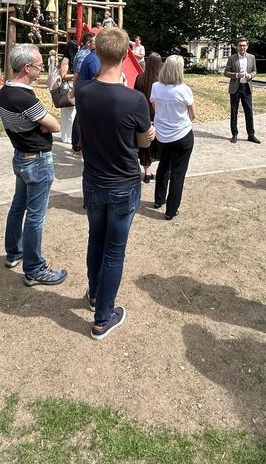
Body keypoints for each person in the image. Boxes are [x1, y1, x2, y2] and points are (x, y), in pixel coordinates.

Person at [75, 27, 155, 340]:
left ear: (97, 54)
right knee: (114, 251)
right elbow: (142, 141)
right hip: (123, 182)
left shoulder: (83, 93)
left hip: (93, 179)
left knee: (96, 239)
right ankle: (102, 317)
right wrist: (146, 136)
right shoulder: (134, 99)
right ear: (126, 56)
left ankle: (95, 294)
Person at [0, 43, 66, 285]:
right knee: (36, 216)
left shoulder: (4, 91)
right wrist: (41, 123)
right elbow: (55, 126)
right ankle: (34, 268)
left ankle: (14, 251)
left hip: (21, 156)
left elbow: (42, 123)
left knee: (18, 207)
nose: (40, 71)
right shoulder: (24, 97)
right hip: (37, 159)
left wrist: (39, 123)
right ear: (26, 68)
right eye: (38, 67)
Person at [150, 55, 196, 221]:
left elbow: (154, 107)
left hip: (163, 135)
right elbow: (193, 114)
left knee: (163, 166)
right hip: (182, 134)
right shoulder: (184, 89)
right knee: (178, 173)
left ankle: (158, 199)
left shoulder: (156, 87)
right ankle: (171, 209)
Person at [224, 37, 260, 144]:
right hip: (235, 87)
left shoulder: (252, 57)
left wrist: (251, 75)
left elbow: (254, 71)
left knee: (249, 112)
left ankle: (251, 135)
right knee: (234, 112)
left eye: (244, 45)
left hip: (247, 88)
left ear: (247, 46)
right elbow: (226, 72)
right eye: (240, 45)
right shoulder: (232, 58)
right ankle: (234, 134)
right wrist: (236, 75)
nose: (242, 47)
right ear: (237, 47)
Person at [133, 53, 162, 184]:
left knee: (145, 145)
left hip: (142, 115)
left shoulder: (140, 78)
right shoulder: (161, 81)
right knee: (158, 143)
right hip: (157, 115)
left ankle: (147, 171)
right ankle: (161, 170)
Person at [71, 32, 99, 156]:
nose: (97, 43)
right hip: (85, 89)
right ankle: (77, 146)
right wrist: (74, 89)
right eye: (95, 41)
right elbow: (77, 75)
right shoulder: (85, 56)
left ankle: (77, 145)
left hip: (82, 88)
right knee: (80, 119)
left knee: (79, 117)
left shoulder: (84, 53)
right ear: (88, 43)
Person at [57, 40, 78, 145]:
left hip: (73, 86)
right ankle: (67, 136)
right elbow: (63, 75)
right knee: (67, 114)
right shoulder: (66, 59)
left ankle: (70, 135)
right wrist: (76, 75)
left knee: (72, 113)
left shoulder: (76, 59)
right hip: (67, 87)